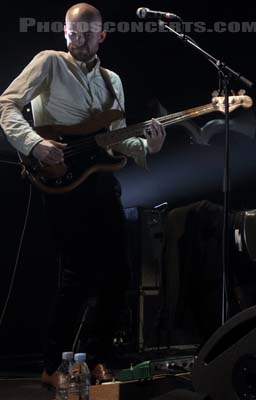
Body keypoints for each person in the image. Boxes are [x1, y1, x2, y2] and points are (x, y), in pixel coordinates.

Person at [0, 3, 166, 388]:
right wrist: (35, 144)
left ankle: (99, 358)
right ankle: (51, 366)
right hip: (60, 172)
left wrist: (149, 147)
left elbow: (118, 137)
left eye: (88, 33)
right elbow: (7, 103)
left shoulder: (113, 80)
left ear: (102, 34)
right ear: (64, 31)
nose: (80, 40)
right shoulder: (49, 62)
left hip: (101, 178)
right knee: (76, 274)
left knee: (118, 273)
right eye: (73, 33)